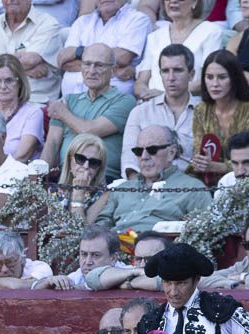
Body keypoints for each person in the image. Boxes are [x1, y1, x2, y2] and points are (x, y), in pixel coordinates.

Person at [42, 43, 137, 182]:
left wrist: (63, 113)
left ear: (113, 70)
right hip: (65, 178)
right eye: (87, 64)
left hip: (102, 179)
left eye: (99, 65)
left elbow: (89, 131)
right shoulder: (69, 100)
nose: (92, 71)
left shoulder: (125, 102)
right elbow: (52, 144)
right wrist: (38, 178)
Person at [93, 124, 212, 231]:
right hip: (114, 250)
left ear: (171, 153)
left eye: (152, 150)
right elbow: (102, 224)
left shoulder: (193, 189)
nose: (144, 156)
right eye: (139, 151)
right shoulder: (123, 188)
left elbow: (207, 231)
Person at [190, 49, 249, 181]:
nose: (215, 84)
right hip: (207, 181)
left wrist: (217, 167)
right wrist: (199, 162)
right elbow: (199, 153)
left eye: (222, 77)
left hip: (247, 180)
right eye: (209, 77)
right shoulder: (200, 110)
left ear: (234, 78)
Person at [122, 44, 196, 178]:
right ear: (160, 74)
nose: (171, 77)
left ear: (191, 75)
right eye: (166, 71)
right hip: (146, 188)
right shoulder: (140, 112)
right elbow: (130, 161)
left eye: (178, 70)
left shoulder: (205, 113)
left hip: (190, 189)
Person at [0, 0, 64, 104]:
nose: (10, 1)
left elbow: (30, 60)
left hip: (31, 101)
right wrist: (24, 69)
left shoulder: (47, 23)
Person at [57, 0, 153, 98]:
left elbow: (122, 57)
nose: (92, 71)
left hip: (109, 101)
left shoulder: (137, 19)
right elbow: (64, 61)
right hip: (70, 98)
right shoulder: (82, 22)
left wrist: (77, 52)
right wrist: (109, 69)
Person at [134, 0, 226, 100]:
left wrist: (165, 95)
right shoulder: (155, 36)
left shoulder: (211, 32)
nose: (173, 1)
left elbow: (210, 79)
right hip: (153, 103)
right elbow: (141, 81)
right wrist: (145, 94)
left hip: (190, 103)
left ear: (195, 3)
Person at [33, 223, 119, 290]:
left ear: (113, 258)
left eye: (96, 255)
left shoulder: (127, 274)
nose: (88, 262)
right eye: (84, 254)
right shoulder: (78, 276)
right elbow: (35, 289)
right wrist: (48, 282)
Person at [81, 229, 169, 290]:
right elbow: (92, 278)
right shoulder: (132, 271)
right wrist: (134, 272)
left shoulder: (176, 272)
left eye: (149, 259)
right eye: (138, 259)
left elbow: (163, 282)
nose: (142, 265)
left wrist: (129, 284)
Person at [53, 133, 107, 221]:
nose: (86, 166)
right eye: (80, 159)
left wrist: (78, 195)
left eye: (93, 162)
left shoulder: (103, 196)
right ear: (69, 159)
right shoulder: (54, 192)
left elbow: (81, 232)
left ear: (99, 169)